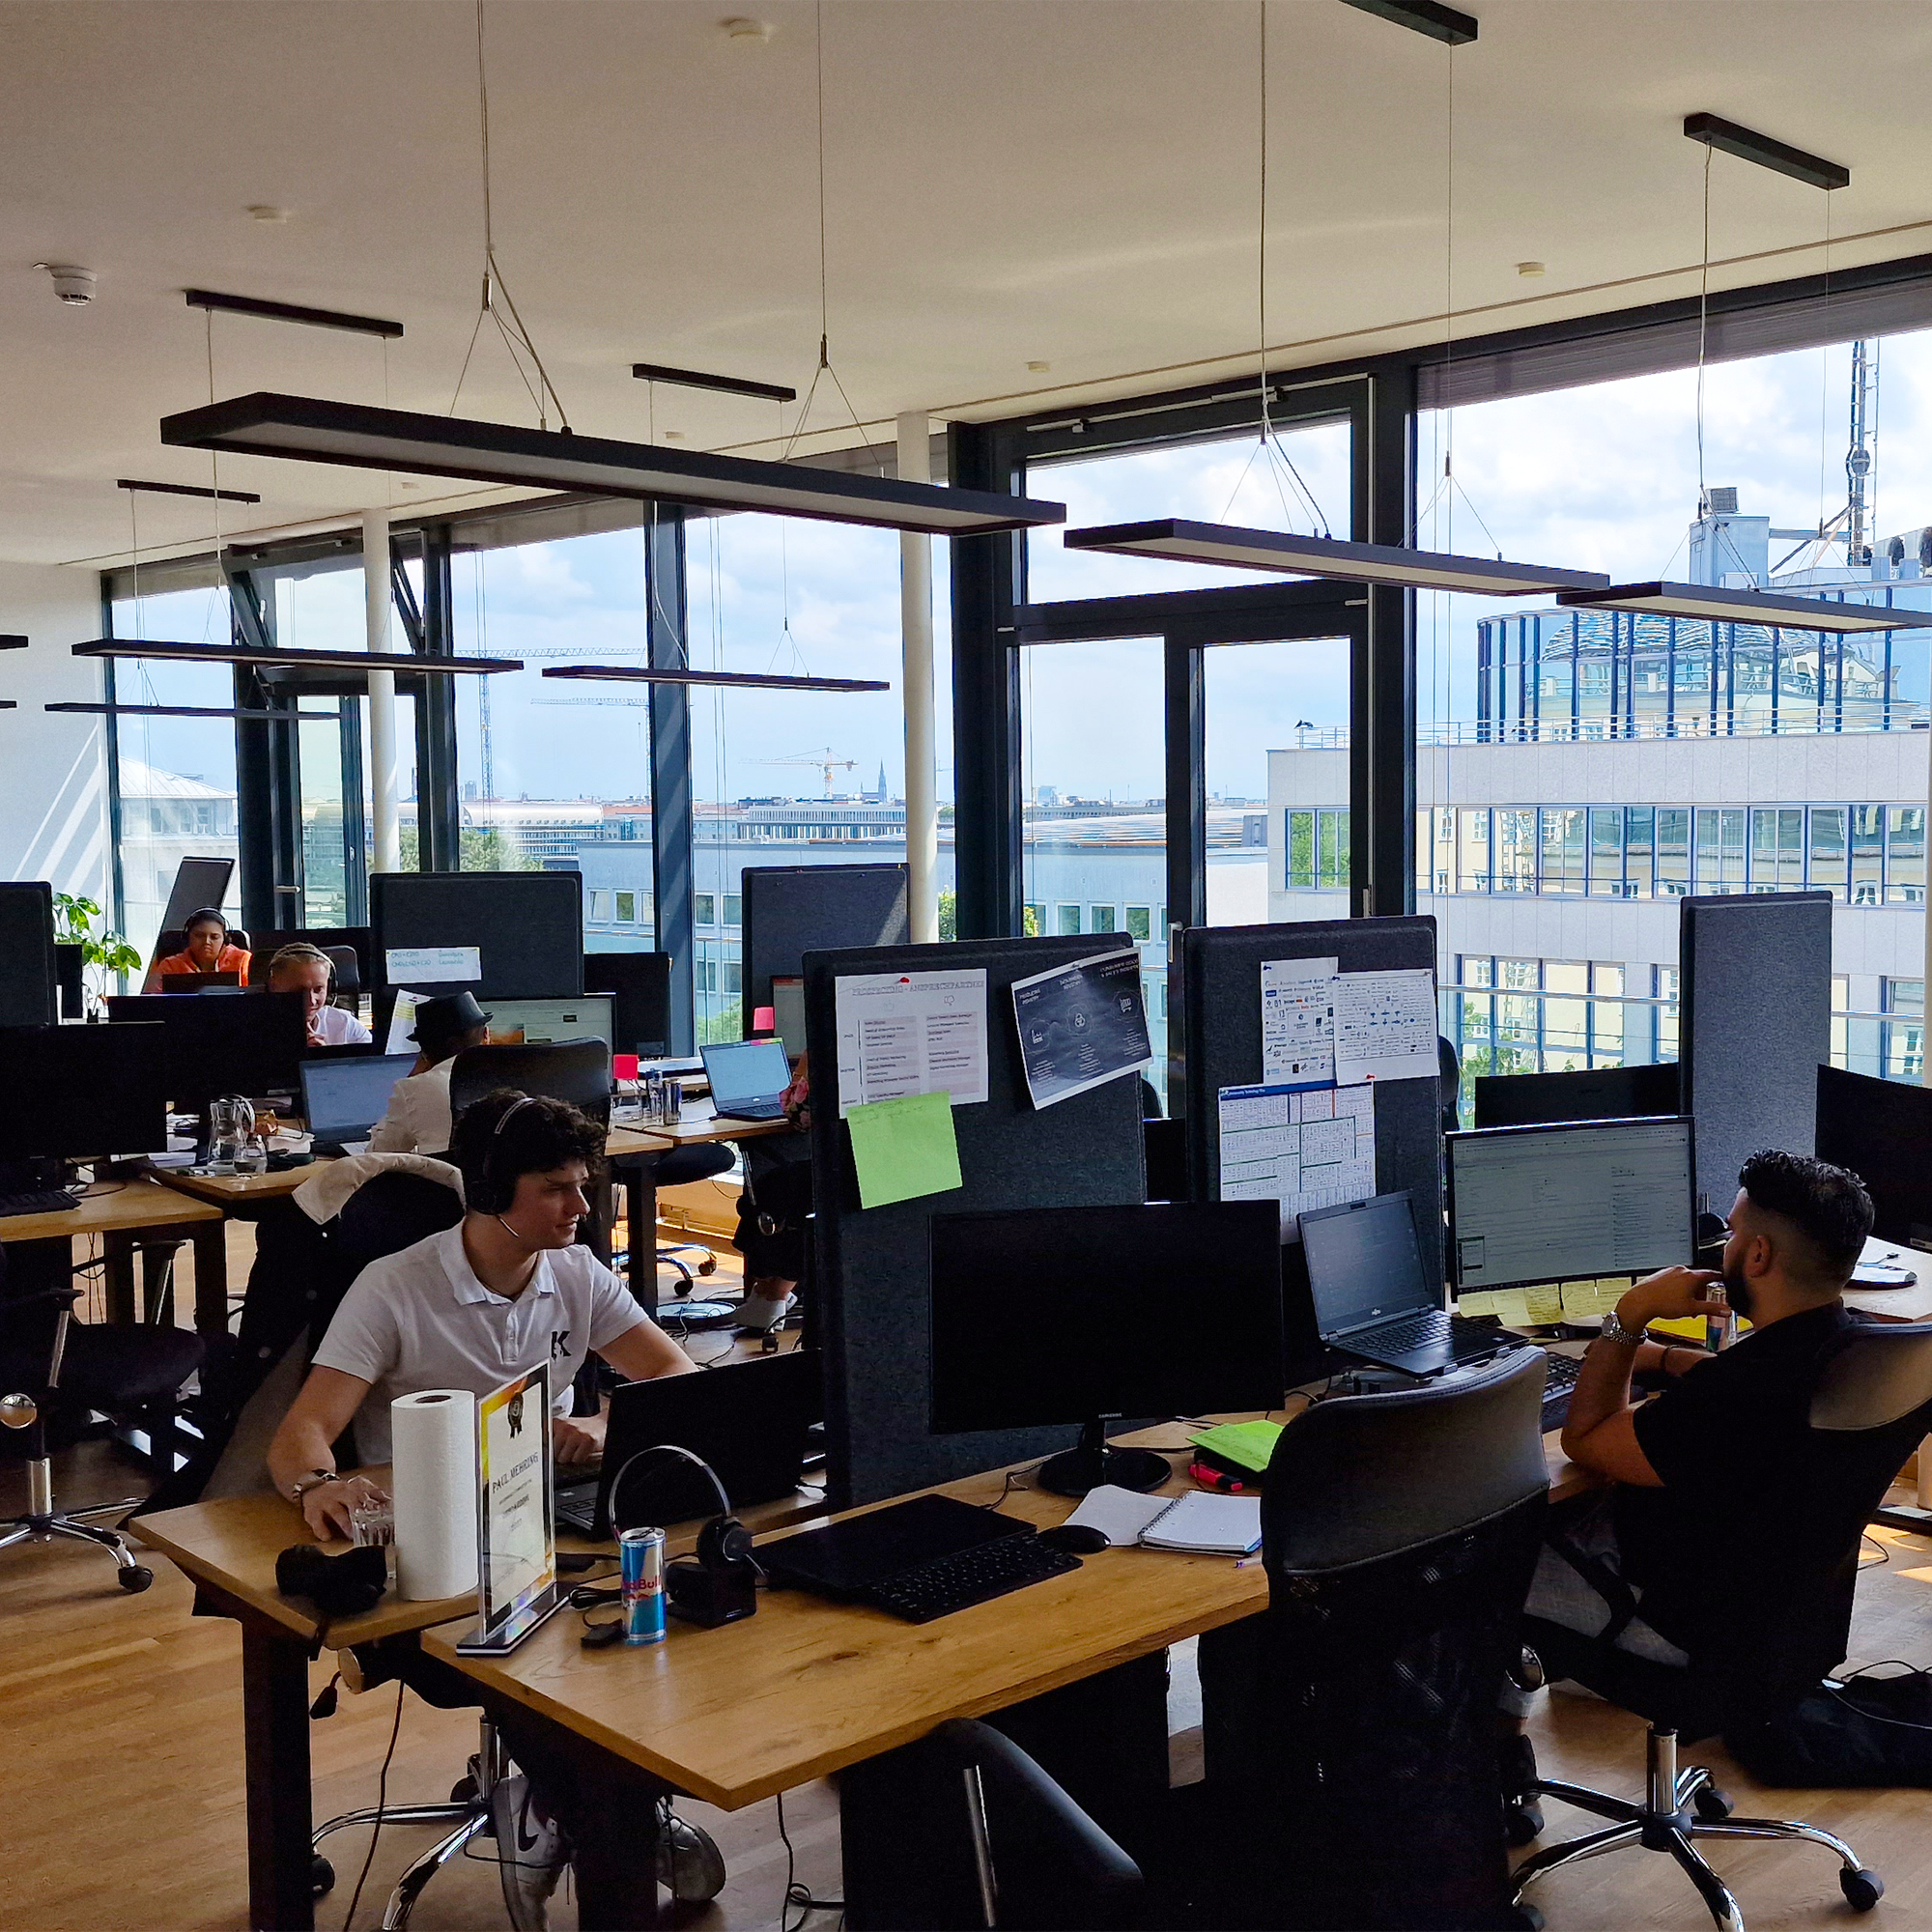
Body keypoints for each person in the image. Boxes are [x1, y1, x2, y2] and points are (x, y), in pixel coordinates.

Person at [267, 1091, 716, 1925]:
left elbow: (680, 1382)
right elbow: (299, 1440)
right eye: (555, 1188)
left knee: (664, 1623)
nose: (581, 1207)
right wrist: (317, 1486)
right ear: (487, 1192)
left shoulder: (576, 1272)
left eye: (583, 1185)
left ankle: (579, 1809)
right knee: (566, 1669)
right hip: (438, 1555)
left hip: (550, 1528)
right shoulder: (394, 1288)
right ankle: (580, 1815)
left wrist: (602, 1419)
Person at [1500, 1149, 1876, 1792]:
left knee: (1473, 1562)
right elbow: (1747, 1393)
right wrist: (1667, 1362)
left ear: (1756, 1257)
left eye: (1731, 1233)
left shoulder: (1736, 1398)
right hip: (1782, 1632)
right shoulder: (1850, 1353)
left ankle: (1494, 1776)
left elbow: (1586, 1440)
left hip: (1676, 1635)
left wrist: (1628, 1318)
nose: (1723, 1247)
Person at [367, 990, 491, 1155]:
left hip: (448, 1180)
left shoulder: (414, 1088)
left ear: (424, 1050)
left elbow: (379, 1154)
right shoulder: (517, 1074)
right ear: (486, 1035)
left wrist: (414, 1077)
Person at [266, 941, 372, 1046]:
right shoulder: (253, 1029)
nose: (311, 1001)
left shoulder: (344, 1024)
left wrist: (323, 1058)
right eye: (299, 991)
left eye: (318, 990)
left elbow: (377, 1060)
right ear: (273, 986)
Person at [145, 907, 249, 989]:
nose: (206, 942)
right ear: (187, 937)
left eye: (214, 937)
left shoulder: (243, 960)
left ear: (225, 940)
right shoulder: (169, 966)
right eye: (199, 936)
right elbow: (153, 1003)